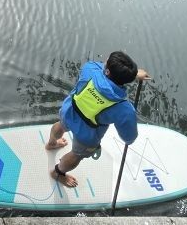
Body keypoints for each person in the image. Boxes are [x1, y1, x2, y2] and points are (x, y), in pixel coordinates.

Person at [46, 51, 150, 188]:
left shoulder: (90, 69)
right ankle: (58, 173)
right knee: (76, 155)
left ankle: (52, 143)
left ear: (107, 71)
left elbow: (101, 69)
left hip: (69, 112)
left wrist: (133, 74)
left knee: (60, 125)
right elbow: (129, 138)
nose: (104, 61)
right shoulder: (124, 109)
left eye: (106, 61)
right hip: (87, 135)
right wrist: (132, 76)